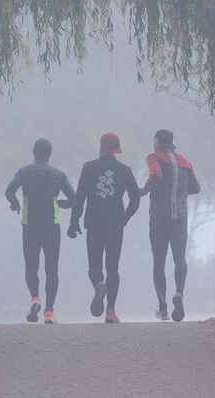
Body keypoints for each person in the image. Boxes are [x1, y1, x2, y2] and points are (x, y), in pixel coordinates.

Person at [67, 133, 140, 323]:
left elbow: (80, 198)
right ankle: (111, 312)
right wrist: (125, 217)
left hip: (94, 224)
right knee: (113, 268)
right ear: (116, 150)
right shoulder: (124, 170)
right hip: (116, 225)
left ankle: (99, 285)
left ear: (101, 146)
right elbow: (135, 198)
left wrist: (74, 222)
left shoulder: (89, 168)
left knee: (94, 266)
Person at [5, 138, 75, 324]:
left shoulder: (24, 172)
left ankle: (35, 298)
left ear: (34, 152)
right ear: (49, 154)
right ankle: (49, 312)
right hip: (52, 225)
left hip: (30, 225)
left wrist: (15, 203)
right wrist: (62, 203)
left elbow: (9, 190)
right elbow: (73, 198)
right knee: (52, 268)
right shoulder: (58, 174)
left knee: (31, 266)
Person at [141, 129, 200, 322]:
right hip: (180, 218)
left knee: (159, 260)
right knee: (179, 258)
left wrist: (144, 190)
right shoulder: (185, 161)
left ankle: (163, 307)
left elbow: (156, 175)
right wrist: (180, 194)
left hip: (159, 217)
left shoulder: (154, 157)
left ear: (157, 141)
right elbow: (196, 188)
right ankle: (180, 293)